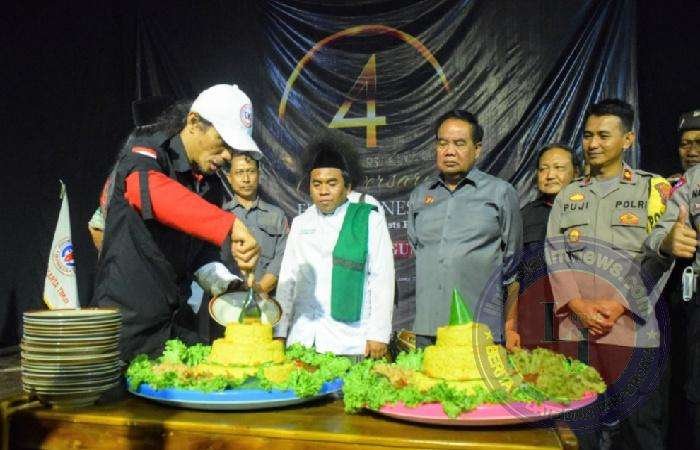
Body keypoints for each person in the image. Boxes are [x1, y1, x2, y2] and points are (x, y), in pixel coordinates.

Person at [93, 84, 260, 362]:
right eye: (222, 141)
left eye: (233, 148)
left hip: (176, 323)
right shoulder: (147, 151)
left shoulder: (210, 185)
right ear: (194, 122)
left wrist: (227, 285)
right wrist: (228, 224)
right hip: (126, 327)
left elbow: (202, 254)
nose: (228, 156)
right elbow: (147, 191)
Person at [546, 99, 670, 450]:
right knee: (578, 431)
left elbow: (660, 259)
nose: (593, 143)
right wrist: (576, 304)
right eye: (588, 136)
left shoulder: (652, 190)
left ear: (628, 139)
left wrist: (619, 304)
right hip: (578, 332)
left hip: (633, 333)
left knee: (641, 433)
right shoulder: (569, 194)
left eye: (603, 135)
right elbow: (554, 254)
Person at [407, 110, 522, 347]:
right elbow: (417, 248)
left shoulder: (500, 193)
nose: (449, 151)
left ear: (477, 149)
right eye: (442, 143)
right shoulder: (420, 195)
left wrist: (510, 326)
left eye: (459, 143)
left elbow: (512, 266)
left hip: (479, 330)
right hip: (428, 329)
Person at [275, 133, 395, 359]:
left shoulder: (368, 219)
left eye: (332, 183)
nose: (323, 191)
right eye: (317, 184)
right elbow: (287, 280)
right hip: (303, 339)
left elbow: (382, 278)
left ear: (347, 186)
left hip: (349, 341)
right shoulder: (301, 223)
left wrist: (379, 334)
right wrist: (280, 333)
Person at [649, 109, 700, 450]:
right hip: (683, 304)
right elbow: (656, 235)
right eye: (685, 144)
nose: (691, 150)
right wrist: (668, 240)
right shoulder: (672, 188)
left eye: (699, 143)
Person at [517, 144, 578, 351]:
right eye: (543, 169)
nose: (550, 175)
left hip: (579, 324)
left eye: (559, 168)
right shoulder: (523, 217)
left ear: (576, 173)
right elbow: (511, 275)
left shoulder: (589, 213)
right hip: (534, 325)